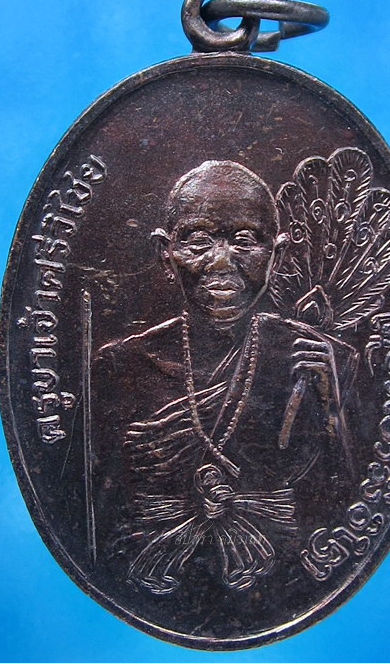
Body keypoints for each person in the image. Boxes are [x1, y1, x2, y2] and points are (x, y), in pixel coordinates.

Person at [92, 160, 358, 594]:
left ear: (277, 255)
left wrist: (330, 407)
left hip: (283, 577)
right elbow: (99, 502)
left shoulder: (315, 359)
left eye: (245, 241)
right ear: (165, 253)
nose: (220, 262)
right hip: (151, 570)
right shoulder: (121, 366)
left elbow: (344, 497)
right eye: (197, 241)